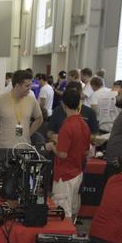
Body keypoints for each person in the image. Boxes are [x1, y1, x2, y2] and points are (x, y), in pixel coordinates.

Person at [48, 88, 90, 219]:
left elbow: (62, 154)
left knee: (62, 215)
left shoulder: (67, 126)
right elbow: (86, 151)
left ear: (63, 104)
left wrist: (52, 146)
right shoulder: (84, 124)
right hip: (77, 173)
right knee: (72, 209)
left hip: (64, 175)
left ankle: (63, 238)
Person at [0, 70, 43, 148]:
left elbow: (39, 118)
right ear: (17, 86)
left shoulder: (31, 100)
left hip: (24, 148)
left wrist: (28, 134)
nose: (29, 89)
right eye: (27, 86)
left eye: (30, 85)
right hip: (3, 149)